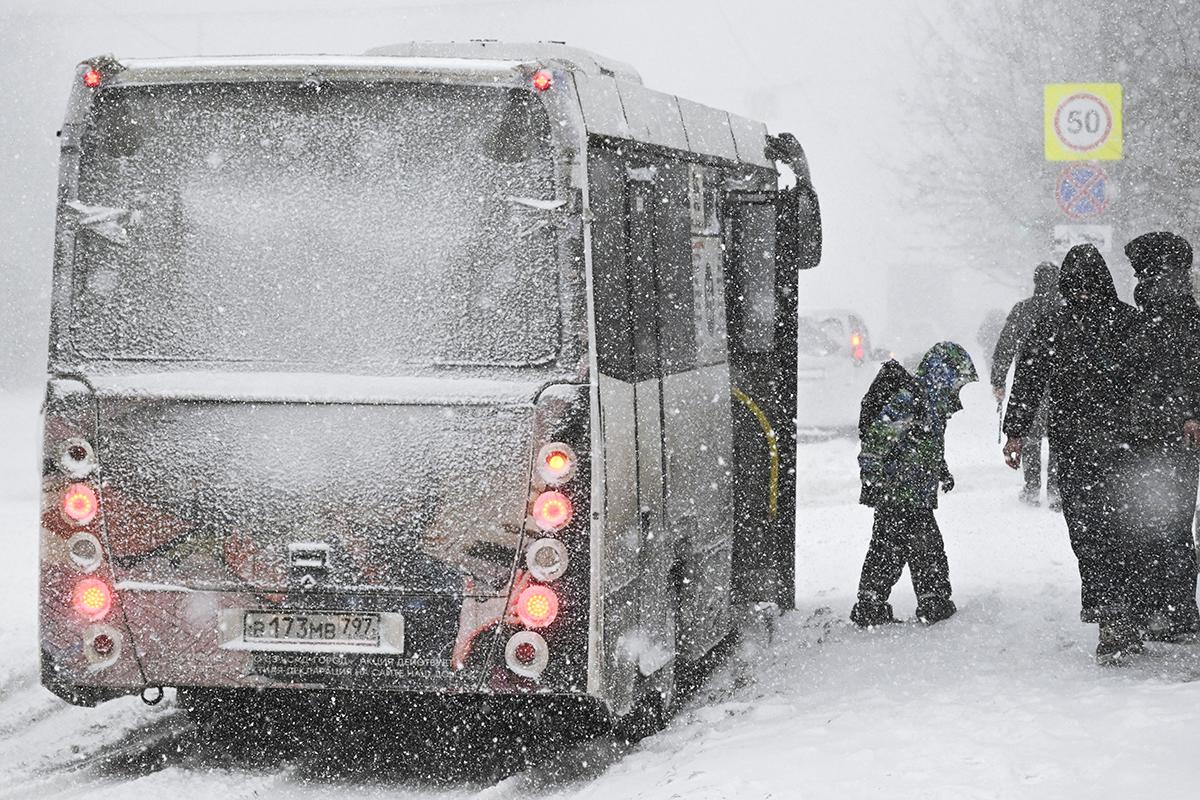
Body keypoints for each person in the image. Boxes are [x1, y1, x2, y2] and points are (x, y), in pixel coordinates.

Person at [1002, 244, 1141, 663]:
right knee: (1101, 530)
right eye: (1075, 286)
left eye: (1085, 285)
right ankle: (1117, 611)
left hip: (1100, 447)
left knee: (1100, 531)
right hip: (1101, 446)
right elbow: (1027, 381)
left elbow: (1027, 382)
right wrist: (1015, 432)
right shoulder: (1115, 324)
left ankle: (1114, 616)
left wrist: (1015, 432)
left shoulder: (1060, 327)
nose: (1081, 293)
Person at [850, 342, 978, 627]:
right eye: (956, 382)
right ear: (941, 375)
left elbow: (926, 446)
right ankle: (931, 602)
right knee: (919, 547)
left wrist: (941, 471)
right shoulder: (911, 400)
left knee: (891, 547)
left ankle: (874, 604)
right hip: (898, 491)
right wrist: (871, 478)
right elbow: (876, 440)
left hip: (912, 493)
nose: (957, 391)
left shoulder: (930, 405)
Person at [1120, 231, 1200, 640]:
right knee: (1170, 521)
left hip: (1160, 431)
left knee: (1157, 521)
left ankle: (1165, 609)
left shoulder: (1167, 315)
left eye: (1141, 271)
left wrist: (1187, 411)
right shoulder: (1178, 310)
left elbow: (1176, 368)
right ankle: (1175, 609)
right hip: (1166, 431)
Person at [991, 262, 1062, 508]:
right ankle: (1056, 490)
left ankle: (1032, 488)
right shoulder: (1066, 310)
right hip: (1061, 383)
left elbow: (1005, 347)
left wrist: (999, 380)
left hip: (1030, 381)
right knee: (1058, 437)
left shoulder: (1023, 310)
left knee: (1031, 435)